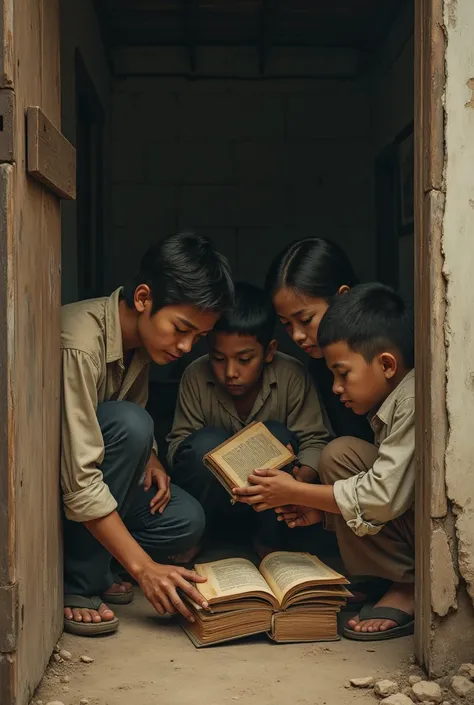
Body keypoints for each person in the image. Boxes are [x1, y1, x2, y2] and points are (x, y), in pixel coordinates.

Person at [61, 232, 234, 636]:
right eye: (181, 328)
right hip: (56, 485)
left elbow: (128, 412)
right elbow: (80, 476)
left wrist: (150, 455)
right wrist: (144, 570)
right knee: (132, 425)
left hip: (93, 478)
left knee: (185, 519)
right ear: (143, 298)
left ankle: (102, 562)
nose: (187, 346)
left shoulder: (141, 341)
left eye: (198, 337)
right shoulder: (81, 346)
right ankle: (79, 583)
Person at [233, 284, 415, 641]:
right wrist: (323, 510)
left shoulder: (411, 401)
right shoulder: (391, 402)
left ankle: (407, 588)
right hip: (404, 512)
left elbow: (383, 497)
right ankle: (384, 578)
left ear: (387, 365)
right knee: (341, 454)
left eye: (343, 373)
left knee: (339, 458)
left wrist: (299, 491)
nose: (335, 387)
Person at [166, 282, 330, 556]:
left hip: (272, 504)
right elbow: (177, 447)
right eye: (219, 358)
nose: (231, 372)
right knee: (205, 442)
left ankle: (269, 543)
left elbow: (315, 438)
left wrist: (302, 475)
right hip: (211, 500)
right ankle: (196, 538)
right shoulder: (195, 376)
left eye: (244, 359)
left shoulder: (291, 374)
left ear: (269, 351)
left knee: (276, 436)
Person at [265, 237, 373, 443]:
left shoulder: (379, 354)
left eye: (306, 320)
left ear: (343, 298)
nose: (296, 335)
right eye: (286, 323)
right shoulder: (319, 367)